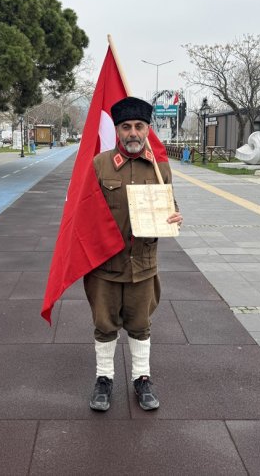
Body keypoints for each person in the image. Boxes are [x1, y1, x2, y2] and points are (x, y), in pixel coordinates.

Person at [87, 96, 182, 412]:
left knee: (140, 324)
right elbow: (83, 212)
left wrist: (174, 216)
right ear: (117, 130)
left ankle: (142, 378)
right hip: (105, 265)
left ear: (147, 130)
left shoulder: (160, 168)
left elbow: (171, 207)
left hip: (143, 264)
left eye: (139, 126)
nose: (132, 133)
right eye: (126, 127)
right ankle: (104, 379)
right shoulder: (99, 165)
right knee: (104, 324)